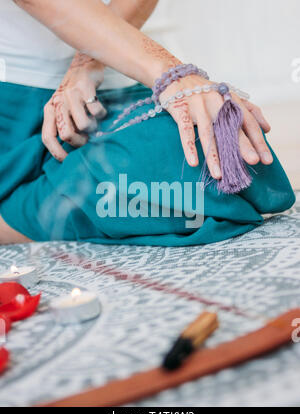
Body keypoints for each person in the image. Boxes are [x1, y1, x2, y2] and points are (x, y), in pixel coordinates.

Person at [0, 0, 294, 246]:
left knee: (217, 153)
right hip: (14, 101)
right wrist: (172, 75)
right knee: (182, 186)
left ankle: (45, 197)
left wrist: (87, 62)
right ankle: (15, 214)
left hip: (106, 87)